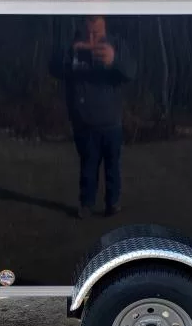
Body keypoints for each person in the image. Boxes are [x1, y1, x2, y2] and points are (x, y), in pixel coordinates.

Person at [50, 16, 135, 218]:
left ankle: (112, 203)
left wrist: (114, 60)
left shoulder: (116, 45)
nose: (91, 39)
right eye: (87, 33)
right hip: (84, 123)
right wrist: (71, 53)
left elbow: (131, 72)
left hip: (112, 122)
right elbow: (53, 68)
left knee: (112, 168)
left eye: (96, 34)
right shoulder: (73, 47)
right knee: (88, 167)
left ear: (104, 29)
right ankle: (86, 204)